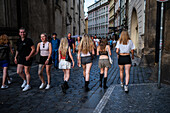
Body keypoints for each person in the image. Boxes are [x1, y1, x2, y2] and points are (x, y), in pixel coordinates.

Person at [14, 28, 35, 92]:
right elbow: (17, 50)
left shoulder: (29, 40)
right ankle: (25, 80)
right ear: (19, 33)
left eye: (23, 32)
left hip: (27, 57)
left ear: (25, 33)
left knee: (26, 72)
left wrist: (29, 56)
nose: (22, 33)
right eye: (21, 32)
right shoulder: (19, 41)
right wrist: (15, 57)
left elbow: (33, 49)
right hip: (20, 58)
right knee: (19, 71)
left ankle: (28, 85)